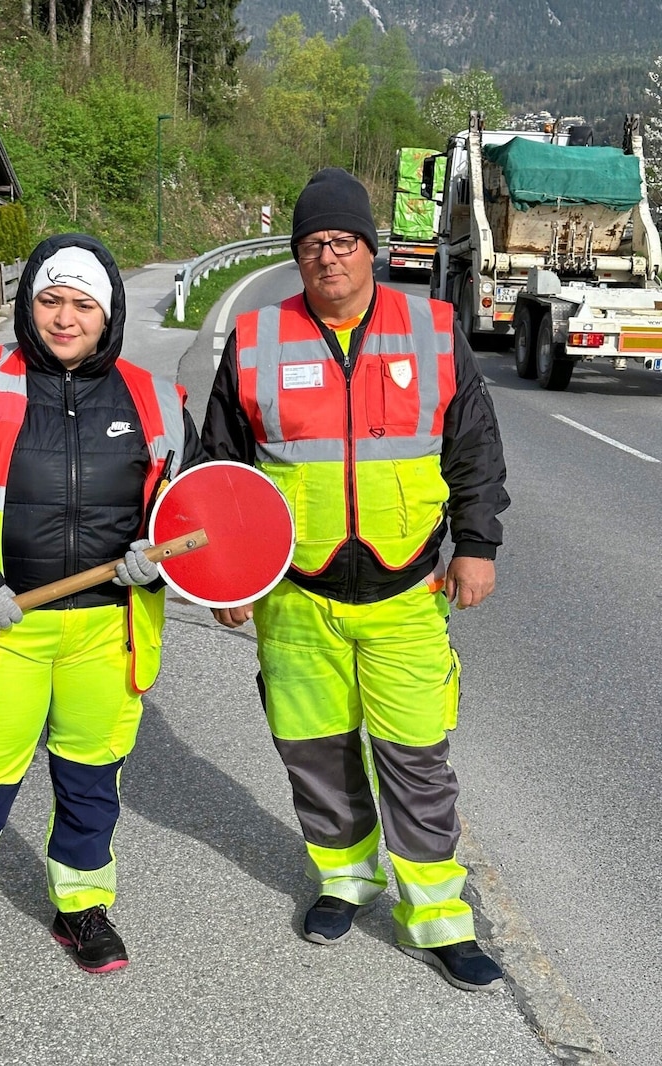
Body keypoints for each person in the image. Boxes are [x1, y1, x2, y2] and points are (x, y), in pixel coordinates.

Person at [201, 168, 510, 992]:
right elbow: (220, 471)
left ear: (370, 249)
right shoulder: (257, 341)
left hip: (409, 588)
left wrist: (475, 546)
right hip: (294, 595)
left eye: (342, 242)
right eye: (311, 246)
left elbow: (474, 450)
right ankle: (346, 880)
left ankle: (439, 917)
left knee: (415, 756)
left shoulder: (433, 330)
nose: (327, 258)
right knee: (316, 753)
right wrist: (225, 578)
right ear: (298, 259)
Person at [0, 233, 207, 1014]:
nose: (65, 319)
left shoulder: (151, 397)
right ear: (29, 303)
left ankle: (80, 908)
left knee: (91, 778)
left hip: (108, 627)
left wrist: (157, 559)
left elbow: (195, 508)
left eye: (83, 305)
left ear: (109, 316)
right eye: (51, 300)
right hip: (1, 626)